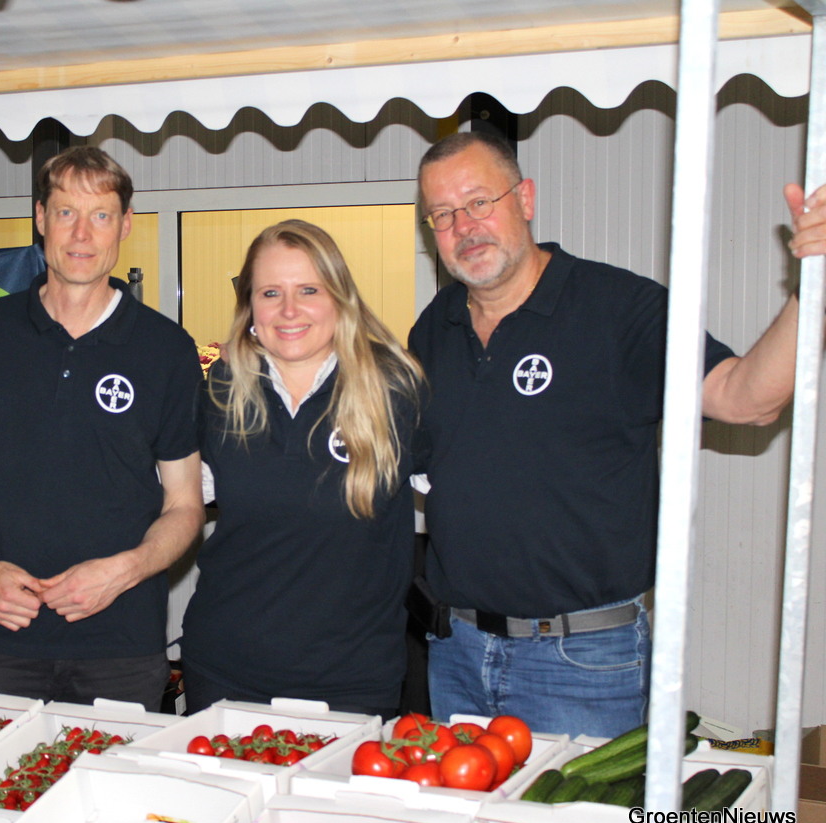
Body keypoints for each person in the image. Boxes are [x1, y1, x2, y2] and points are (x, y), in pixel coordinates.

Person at [408, 130, 826, 737]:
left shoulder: (617, 309)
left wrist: (812, 290)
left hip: (580, 662)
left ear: (524, 198)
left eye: (479, 201)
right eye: (442, 214)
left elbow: (747, 399)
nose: (464, 226)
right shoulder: (434, 328)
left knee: (581, 807)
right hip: (457, 655)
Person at [0, 146, 204, 710]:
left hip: (120, 649)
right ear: (40, 218)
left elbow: (185, 505)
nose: (81, 234)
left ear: (125, 224)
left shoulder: (167, 349)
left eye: (101, 215)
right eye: (66, 212)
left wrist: (122, 573)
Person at [181, 219, 426, 717]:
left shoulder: (396, 388)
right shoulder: (219, 388)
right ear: (250, 306)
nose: (289, 310)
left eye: (309, 290)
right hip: (225, 672)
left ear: (340, 297)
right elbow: (171, 501)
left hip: (353, 681)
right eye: (270, 292)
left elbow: (471, 499)